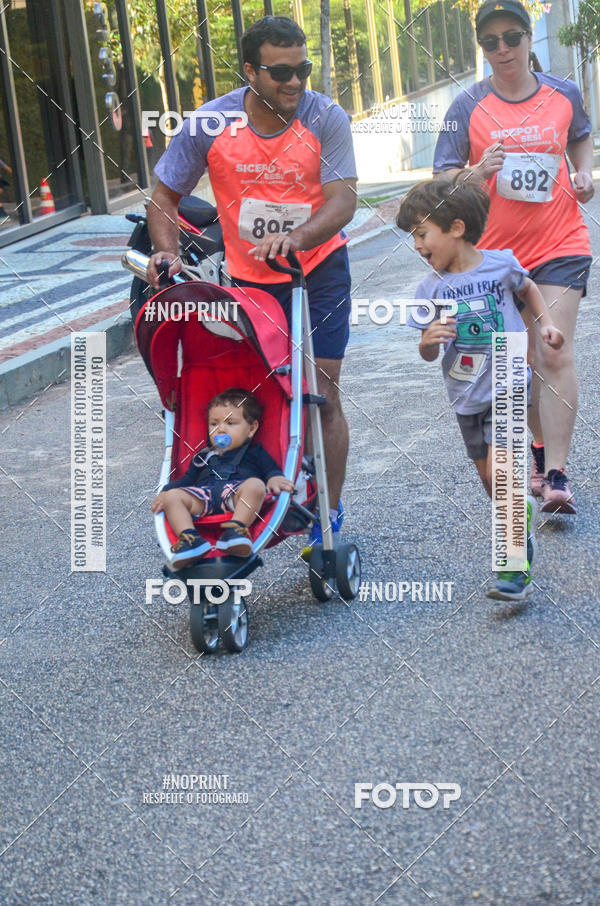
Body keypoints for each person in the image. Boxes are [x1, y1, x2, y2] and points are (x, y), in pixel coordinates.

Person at [146, 15, 357, 554]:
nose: (295, 82)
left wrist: (297, 238)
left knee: (320, 392)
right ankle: (262, 491)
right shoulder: (211, 123)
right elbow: (163, 196)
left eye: (303, 69)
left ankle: (328, 514)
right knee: (266, 395)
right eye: (281, 72)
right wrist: (166, 252)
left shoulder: (324, 116)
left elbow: (342, 200)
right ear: (249, 71)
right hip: (250, 283)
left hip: (319, 270)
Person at [433, 0, 594, 515]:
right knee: (519, 365)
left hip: (561, 244)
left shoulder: (563, 93)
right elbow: (441, 178)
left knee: (553, 349)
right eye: (490, 42)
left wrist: (583, 172)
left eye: (511, 38)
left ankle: (558, 474)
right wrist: (476, 172)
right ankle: (539, 450)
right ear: (483, 49)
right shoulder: (466, 107)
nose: (502, 49)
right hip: (498, 258)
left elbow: (580, 135)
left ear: (529, 38)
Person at [396, 177, 564, 600]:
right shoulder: (430, 289)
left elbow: (528, 288)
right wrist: (427, 341)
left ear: (456, 228)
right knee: (491, 481)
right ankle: (520, 517)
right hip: (466, 396)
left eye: (422, 233)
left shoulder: (501, 264)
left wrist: (546, 324)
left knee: (502, 476)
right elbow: (427, 354)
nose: (417, 245)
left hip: (509, 378)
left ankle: (513, 567)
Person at [151, 388, 294, 564]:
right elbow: (188, 480)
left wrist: (274, 477)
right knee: (172, 496)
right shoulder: (203, 455)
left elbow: (270, 470)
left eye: (230, 423)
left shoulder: (255, 452)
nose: (220, 429)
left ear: (251, 428)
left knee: (256, 486)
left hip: (236, 496)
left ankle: (235, 531)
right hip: (204, 497)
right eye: (214, 424)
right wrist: (166, 491)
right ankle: (190, 539)